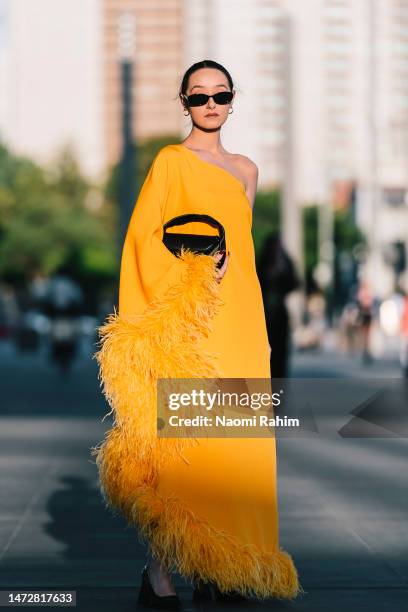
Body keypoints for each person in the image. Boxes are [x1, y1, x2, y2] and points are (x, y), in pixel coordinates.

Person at [92, 60, 302, 608]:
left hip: (239, 319)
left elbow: (242, 248)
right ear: (182, 103)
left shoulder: (247, 170)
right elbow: (142, 240)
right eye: (198, 96)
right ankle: (159, 575)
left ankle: (226, 566)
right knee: (182, 446)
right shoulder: (170, 162)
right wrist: (191, 274)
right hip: (188, 319)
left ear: (234, 100)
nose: (210, 104)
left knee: (233, 446)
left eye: (220, 94)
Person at [257, 233, 300, 378]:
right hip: (264, 313)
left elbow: (295, 283)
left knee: (281, 352)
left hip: (280, 314)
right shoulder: (263, 262)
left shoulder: (285, 262)